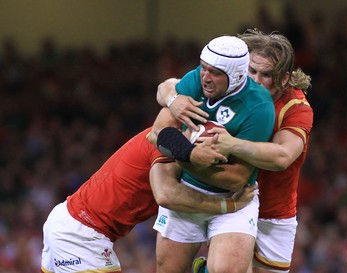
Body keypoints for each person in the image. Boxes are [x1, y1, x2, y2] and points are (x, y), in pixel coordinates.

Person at [157, 29, 313, 273]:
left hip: (272, 211)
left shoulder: (296, 108)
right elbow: (168, 86)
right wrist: (172, 99)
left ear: (284, 79)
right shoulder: (224, 86)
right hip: (217, 193)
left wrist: (232, 144)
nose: (256, 80)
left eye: (266, 75)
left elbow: (282, 156)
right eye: (251, 71)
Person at [39, 108, 257, 273]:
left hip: (69, 220)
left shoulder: (170, 137)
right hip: (81, 235)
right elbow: (166, 194)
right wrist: (228, 205)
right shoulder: (166, 145)